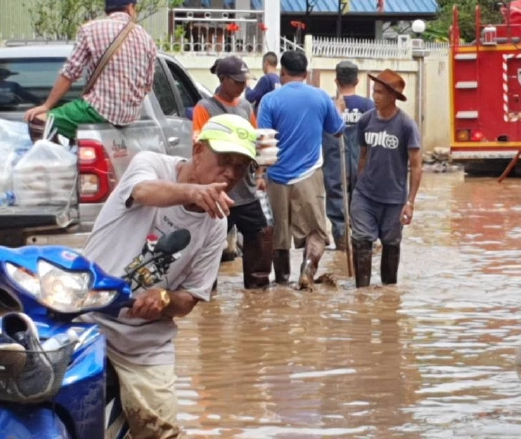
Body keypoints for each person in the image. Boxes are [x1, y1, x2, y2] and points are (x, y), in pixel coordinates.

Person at [83, 114, 259, 437]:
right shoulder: (151, 164)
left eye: (241, 167)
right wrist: (191, 192)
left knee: (161, 431)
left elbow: (190, 297)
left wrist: (164, 299)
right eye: (224, 160)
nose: (230, 174)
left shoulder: (216, 224)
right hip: (84, 314)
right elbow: (144, 192)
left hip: (143, 341)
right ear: (197, 150)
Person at [257, 50, 345, 290]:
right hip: (309, 175)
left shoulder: (270, 100)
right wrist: (336, 108)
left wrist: (260, 175)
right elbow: (337, 130)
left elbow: (263, 142)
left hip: (276, 175)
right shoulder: (321, 97)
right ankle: (307, 269)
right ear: (306, 73)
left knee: (278, 235)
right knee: (316, 232)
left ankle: (282, 282)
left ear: (282, 72)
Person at [24, 0, 157, 140]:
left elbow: (70, 73)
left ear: (107, 9)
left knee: (38, 122)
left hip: (97, 111)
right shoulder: (147, 39)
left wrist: (47, 106)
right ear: (131, 7)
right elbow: (147, 86)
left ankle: (54, 160)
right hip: (129, 118)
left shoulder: (90, 29)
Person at [191, 56, 273, 289]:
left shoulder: (246, 107)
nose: (243, 86)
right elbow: (199, 145)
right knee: (211, 243)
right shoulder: (205, 108)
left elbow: (258, 142)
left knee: (259, 233)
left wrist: (260, 174)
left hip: (246, 189)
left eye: (244, 81)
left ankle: (257, 291)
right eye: (238, 82)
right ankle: (206, 289)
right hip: (218, 190)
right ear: (223, 79)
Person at [350, 70, 422, 287]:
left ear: (392, 96)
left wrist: (410, 202)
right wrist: (357, 188)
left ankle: (389, 297)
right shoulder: (365, 121)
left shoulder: (406, 125)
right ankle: (361, 295)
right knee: (361, 240)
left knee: (391, 244)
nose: (375, 96)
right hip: (365, 195)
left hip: (393, 199)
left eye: (380, 92)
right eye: (374, 91)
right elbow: (362, 155)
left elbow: (417, 166)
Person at [322, 61, 373, 250]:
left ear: (336, 80)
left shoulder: (329, 105)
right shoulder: (368, 106)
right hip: (362, 163)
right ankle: (361, 242)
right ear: (358, 81)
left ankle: (342, 244)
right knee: (362, 203)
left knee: (337, 204)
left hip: (335, 163)